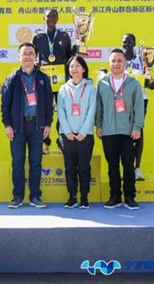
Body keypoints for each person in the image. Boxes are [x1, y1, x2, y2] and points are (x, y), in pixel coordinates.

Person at [1, 43, 53, 208]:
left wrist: (48, 124)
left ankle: (35, 196)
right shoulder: (12, 79)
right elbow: (5, 105)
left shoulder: (43, 78)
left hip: (37, 126)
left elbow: (49, 104)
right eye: (25, 53)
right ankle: (17, 197)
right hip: (18, 127)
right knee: (17, 163)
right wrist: (7, 125)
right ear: (19, 57)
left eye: (31, 53)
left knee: (36, 163)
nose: (28, 56)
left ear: (35, 56)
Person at [95, 49, 145, 209]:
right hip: (108, 131)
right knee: (112, 166)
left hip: (128, 131)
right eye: (113, 61)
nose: (116, 64)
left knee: (128, 166)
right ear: (108, 63)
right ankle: (115, 196)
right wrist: (98, 125)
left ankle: (129, 196)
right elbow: (99, 107)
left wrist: (137, 126)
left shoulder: (133, 83)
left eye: (119, 61)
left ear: (125, 63)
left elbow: (139, 107)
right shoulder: (102, 84)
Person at [57, 56, 96, 209]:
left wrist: (83, 132)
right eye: (71, 66)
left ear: (84, 69)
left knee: (84, 167)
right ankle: (72, 197)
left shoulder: (91, 88)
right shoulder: (63, 89)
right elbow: (61, 112)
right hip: (67, 135)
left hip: (85, 135)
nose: (74, 69)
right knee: (70, 167)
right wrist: (67, 131)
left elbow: (91, 112)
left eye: (77, 66)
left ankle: (84, 197)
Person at [33, 8, 73, 153]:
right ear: (43, 18)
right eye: (48, 16)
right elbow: (33, 56)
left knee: (62, 111)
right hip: (45, 81)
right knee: (44, 111)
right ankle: (45, 141)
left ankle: (61, 140)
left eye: (53, 16)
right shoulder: (38, 38)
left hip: (62, 81)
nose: (51, 19)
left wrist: (80, 45)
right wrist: (35, 63)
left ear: (57, 19)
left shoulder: (64, 36)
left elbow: (70, 58)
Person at [122, 33, 154, 180]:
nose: (126, 44)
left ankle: (137, 168)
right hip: (123, 101)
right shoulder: (118, 59)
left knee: (138, 132)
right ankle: (126, 168)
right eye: (124, 42)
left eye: (129, 42)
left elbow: (147, 80)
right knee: (124, 134)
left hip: (140, 100)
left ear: (134, 43)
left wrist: (151, 84)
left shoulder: (141, 59)